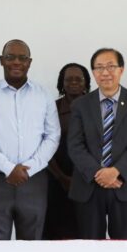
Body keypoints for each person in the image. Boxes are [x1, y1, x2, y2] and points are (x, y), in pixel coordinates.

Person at [0, 40, 60, 240]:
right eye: (10, 57)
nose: (16, 62)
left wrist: (29, 167)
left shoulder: (43, 95)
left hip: (34, 180)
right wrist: (9, 168)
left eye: (22, 58)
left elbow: (52, 136)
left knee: (31, 246)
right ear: (1, 60)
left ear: (29, 62)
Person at [67, 48, 127, 240]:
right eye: (99, 68)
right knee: (90, 246)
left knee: (123, 247)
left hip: (124, 185)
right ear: (94, 73)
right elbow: (75, 145)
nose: (105, 72)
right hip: (89, 187)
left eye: (111, 66)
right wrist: (99, 173)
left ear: (121, 69)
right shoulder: (81, 105)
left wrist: (115, 171)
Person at [44, 63, 91, 240]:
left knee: (84, 233)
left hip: (88, 181)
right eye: (68, 79)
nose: (73, 82)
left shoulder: (97, 107)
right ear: (61, 83)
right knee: (54, 232)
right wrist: (61, 177)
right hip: (56, 180)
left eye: (78, 79)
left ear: (86, 83)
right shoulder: (51, 108)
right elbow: (44, 145)